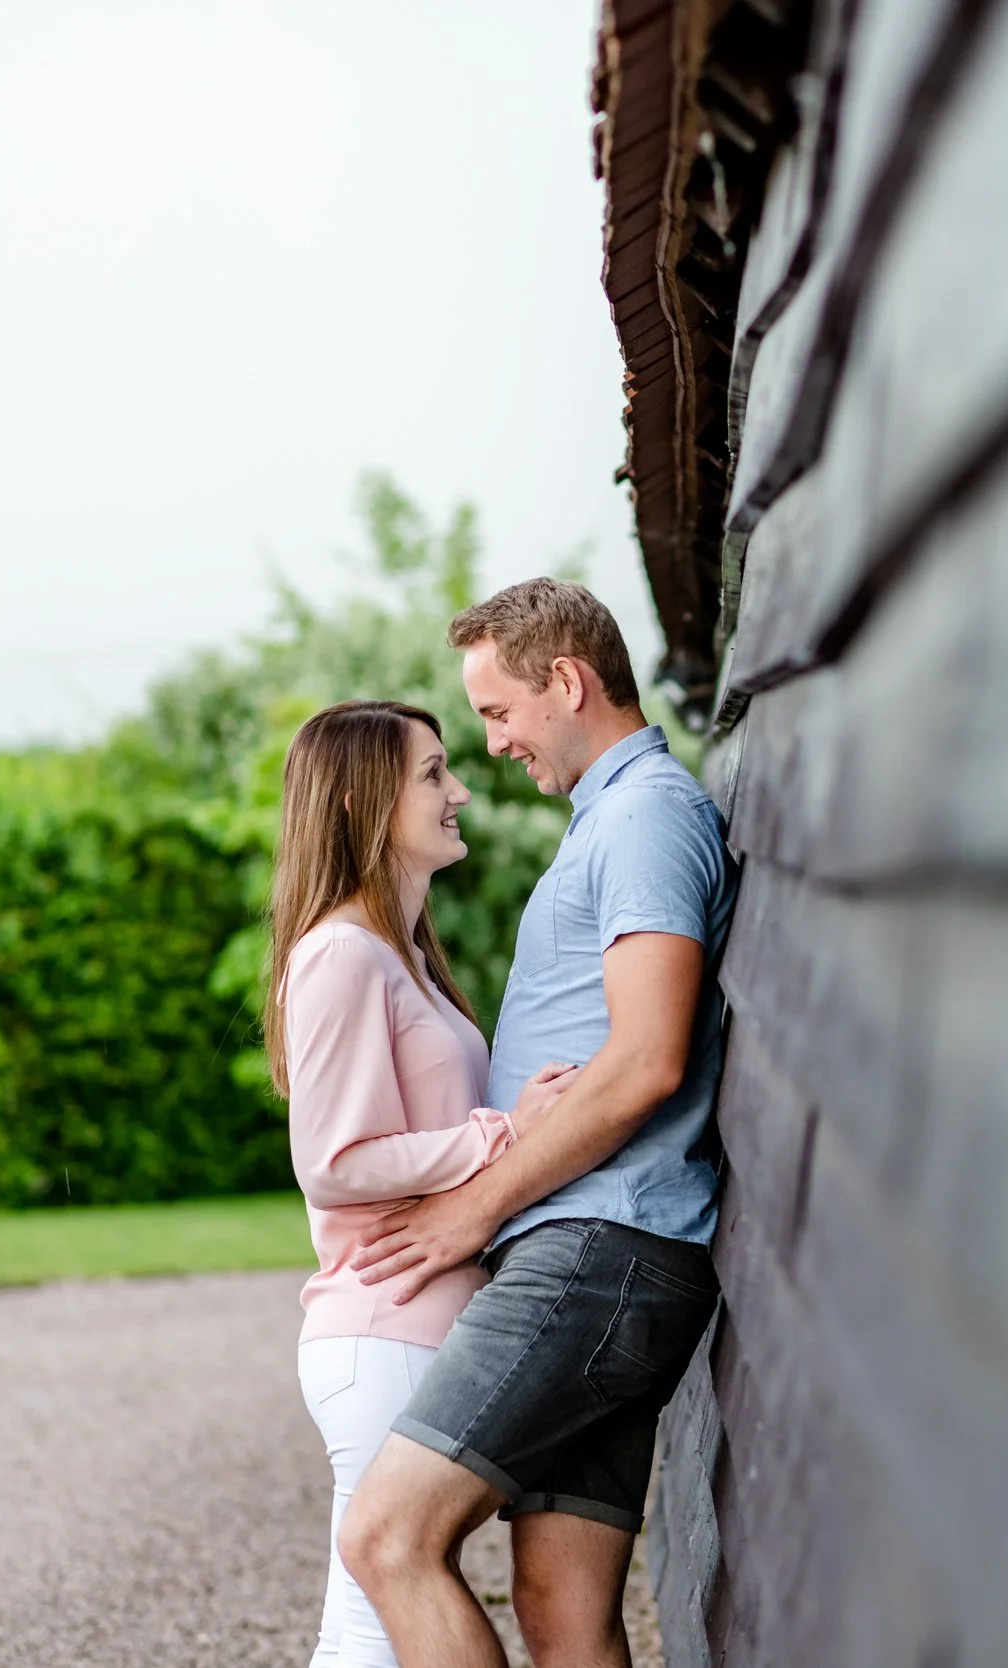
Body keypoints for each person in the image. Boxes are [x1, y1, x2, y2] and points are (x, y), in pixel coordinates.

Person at [337, 580, 738, 1668]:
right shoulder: (616, 819)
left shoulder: (647, 814)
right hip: (615, 1255)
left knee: (387, 1535)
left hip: (598, 1253)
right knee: (561, 1610)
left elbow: (646, 1060)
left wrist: (473, 1210)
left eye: (498, 711)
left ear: (566, 681)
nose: (493, 743)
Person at [270, 700, 570, 1668]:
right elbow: (335, 1158)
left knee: (361, 1626)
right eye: (433, 774)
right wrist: (500, 1133)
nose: (461, 792)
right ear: (363, 798)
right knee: (371, 1625)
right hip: (383, 1327)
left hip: (407, 1331)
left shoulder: (399, 958)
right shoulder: (341, 954)